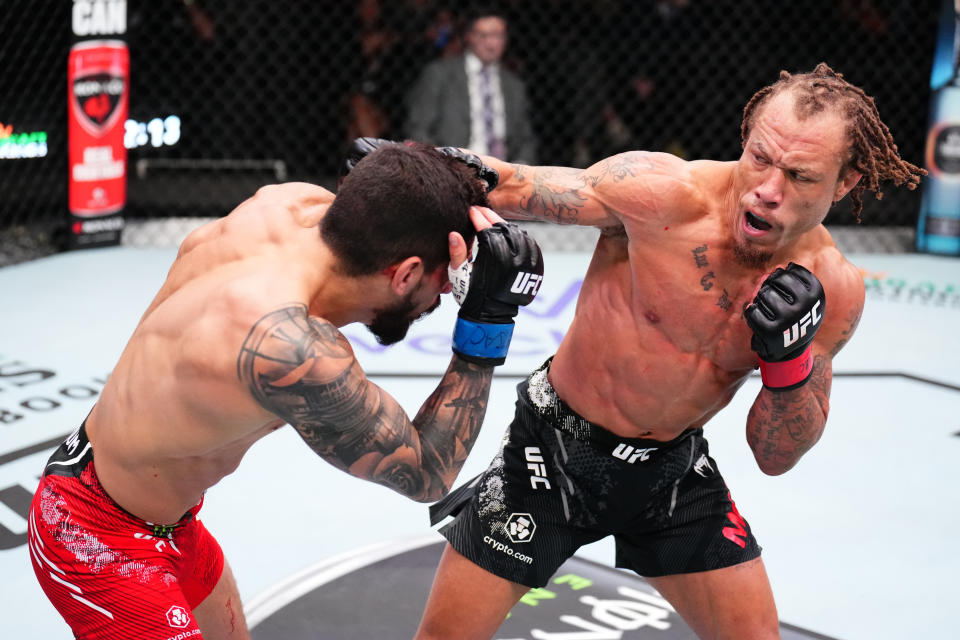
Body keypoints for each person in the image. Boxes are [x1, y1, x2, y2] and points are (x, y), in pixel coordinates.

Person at [402, 62, 923, 638]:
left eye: (800, 176)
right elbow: (516, 184)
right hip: (550, 451)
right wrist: (411, 171)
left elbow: (776, 455)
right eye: (760, 159)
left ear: (844, 183)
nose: (767, 191)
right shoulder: (663, 196)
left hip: (673, 472)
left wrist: (788, 362)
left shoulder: (834, 287)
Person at [27, 142, 543, 639]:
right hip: (94, 536)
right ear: (406, 273)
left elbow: (395, 194)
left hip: (162, 515)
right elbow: (428, 473)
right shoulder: (287, 347)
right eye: (445, 281)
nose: (446, 293)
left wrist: (409, 170)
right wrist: (486, 321)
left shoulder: (287, 204)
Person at [405, 8, 537, 164]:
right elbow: (418, 128)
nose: (491, 43)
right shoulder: (440, 75)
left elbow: (526, 140)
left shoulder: (514, 86)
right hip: (452, 169)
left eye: (498, 36)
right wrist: (440, 165)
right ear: (470, 37)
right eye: (484, 36)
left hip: (503, 171)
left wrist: (520, 167)